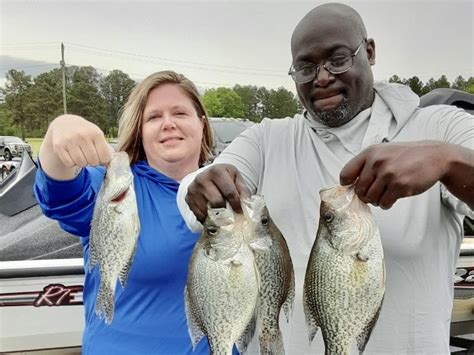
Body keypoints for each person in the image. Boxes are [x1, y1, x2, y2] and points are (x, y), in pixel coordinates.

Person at [177, 3, 474, 354]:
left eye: (337, 59)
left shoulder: (441, 126)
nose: (321, 77)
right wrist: (201, 185)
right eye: (305, 67)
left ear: (369, 51)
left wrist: (449, 161)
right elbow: (194, 191)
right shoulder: (268, 138)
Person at [34, 70, 217, 354]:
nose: (168, 124)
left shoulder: (229, 186)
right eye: (154, 117)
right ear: (139, 131)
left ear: (202, 124)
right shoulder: (113, 185)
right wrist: (59, 131)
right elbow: (60, 194)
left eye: (180, 113)